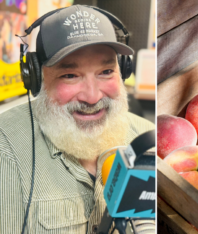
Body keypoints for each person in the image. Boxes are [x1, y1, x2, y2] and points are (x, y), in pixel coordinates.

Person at [0, 5, 154, 233]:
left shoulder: (149, 140)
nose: (92, 97)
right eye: (70, 75)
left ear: (122, 70)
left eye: (106, 72)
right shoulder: (6, 152)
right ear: (35, 79)